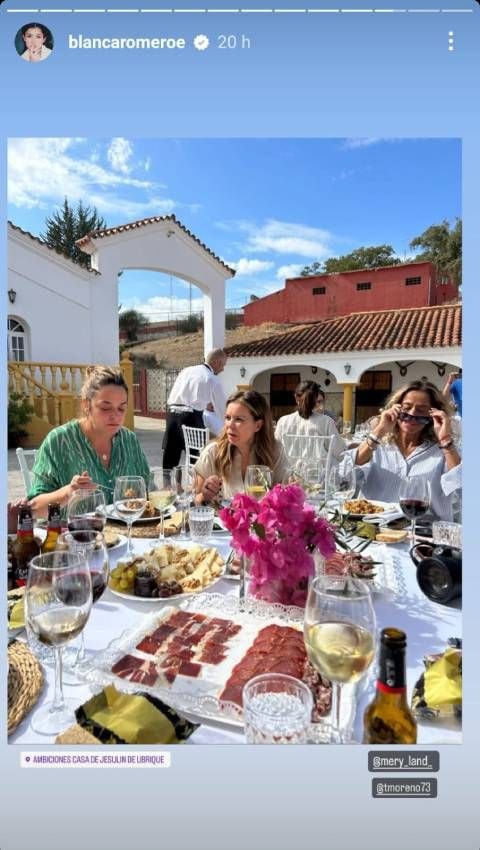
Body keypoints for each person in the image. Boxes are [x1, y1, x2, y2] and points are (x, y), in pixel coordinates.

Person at [28, 366, 150, 516]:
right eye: (106, 408)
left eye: (121, 408)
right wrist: (68, 492)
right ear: (86, 405)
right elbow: (33, 509)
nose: (116, 416)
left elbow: (148, 492)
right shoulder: (59, 441)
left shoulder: (129, 441)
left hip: (127, 536)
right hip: (73, 536)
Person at [350, 379, 461, 521]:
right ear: (395, 408)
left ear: (432, 415)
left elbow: (463, 491)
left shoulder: (443, 451)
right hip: (374, 530)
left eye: (421, 410)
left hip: (425, 534)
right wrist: (379, 431)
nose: (412, 415)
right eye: (406, 407)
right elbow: (345, 475)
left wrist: (445, 439)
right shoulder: (377, 445)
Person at [194, 390, 289, 504]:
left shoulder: (274, 450)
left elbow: (285, 495)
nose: (230, 425)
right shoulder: (213, 452)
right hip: (222, 521)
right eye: (228, 418)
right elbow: (195, 500)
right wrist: (205, 495)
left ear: (258, 425)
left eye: (238, 419)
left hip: (261, 521)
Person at [162, 348, 227, 469]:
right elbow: (223, 409)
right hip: (190, 418)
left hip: (171, 416)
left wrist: (205, 404)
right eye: (223, 365)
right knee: (198, 457)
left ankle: (168, 484)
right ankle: (197, 482)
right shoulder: (212, 379)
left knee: (170, 456)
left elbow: (186, 394)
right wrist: (227, 425)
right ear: (217, 362)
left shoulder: (187, 370)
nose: (222, 369)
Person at [274, 381, 345, 461]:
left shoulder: (283, 422)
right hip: (319, 472)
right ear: (315, 399)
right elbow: (340, 454)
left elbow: (276, 452)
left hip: (289, 472)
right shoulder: (326, 421)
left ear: (295, 397)